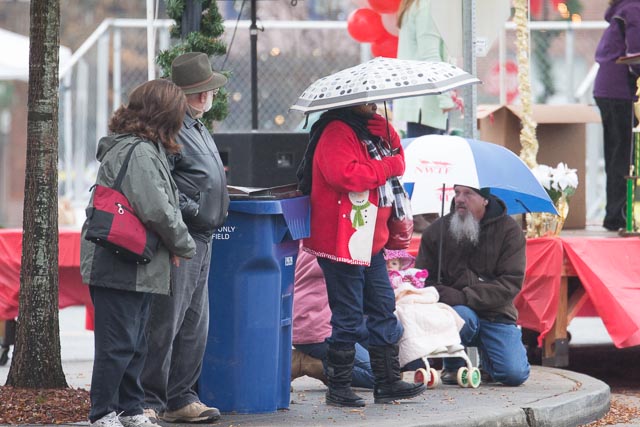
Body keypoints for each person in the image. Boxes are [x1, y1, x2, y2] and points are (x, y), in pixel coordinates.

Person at [80, 79, 197, 427]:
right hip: (119, 261)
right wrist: (183, 245)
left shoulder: (144, 147)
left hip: (132, 260)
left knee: (135, 343)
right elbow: (158, 208)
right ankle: (102, 412)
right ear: (165, 115)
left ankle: (130, 408)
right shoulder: (142, 152)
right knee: (118, 344)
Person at [296, 102, 425, 407]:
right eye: (366, 101)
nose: (372, 106)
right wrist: (390, 164)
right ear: (349, 102)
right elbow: (346, 176)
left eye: (373, 100)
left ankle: (388, 382)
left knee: (382, 308)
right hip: (341, 243)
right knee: (348, 315)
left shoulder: (372, 131)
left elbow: (397, 161)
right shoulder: (335, 131)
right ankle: (338, 387)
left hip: (370, 242)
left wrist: (391, 137)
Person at [141, 52, 229, 424]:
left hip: (200, 235)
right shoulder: (175, 127)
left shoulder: (193, 125)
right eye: (200, 92)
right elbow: (161, 183)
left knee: (193, 322)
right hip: (184, 236)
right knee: (169, 321)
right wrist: (192, 210)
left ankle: (179, 396)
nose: (206, 97)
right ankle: (150, 399)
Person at [414, 185, 530, 386]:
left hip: (496, 313)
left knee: (514, 375)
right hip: (455, 313)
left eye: (468, 193)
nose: (460, 199)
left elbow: (510, 283)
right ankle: (454, 365)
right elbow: (422, 278)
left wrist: (464, 296)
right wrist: (438, 292)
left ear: (485, 199)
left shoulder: (509, 231)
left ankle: (489, 362)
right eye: (457, 192)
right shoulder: (436, 232)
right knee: (462, 316)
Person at [292, 248, 375, 389]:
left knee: (380, 329)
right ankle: (306, 363)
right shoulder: (330, 250)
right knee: (377, 375)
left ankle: (324, 360)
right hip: (318, 329)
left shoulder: (304, 243)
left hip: (305, 322)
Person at [594, 0, 640, 231]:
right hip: (620, 90)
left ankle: (615, 214)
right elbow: (636, 55)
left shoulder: (625, 8)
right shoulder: (634, 8)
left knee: (617, 154)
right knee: (625, 155)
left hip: (609, 89)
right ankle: (620, 215)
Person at [393, 0, 455, 138]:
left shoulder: (418, 4)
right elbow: (430, 57)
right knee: (429, 157)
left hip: (423, 102)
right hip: (427, 104)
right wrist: (445, 98)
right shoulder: (426, 6)